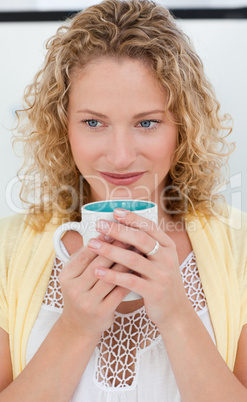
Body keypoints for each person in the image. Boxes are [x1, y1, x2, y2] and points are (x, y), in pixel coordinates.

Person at [0, 0, 247, 400]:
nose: (119, 156)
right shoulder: (6, 251)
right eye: (93, 122)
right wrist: (75, 328)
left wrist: (175, 313)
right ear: (64, 126)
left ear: (182, 126)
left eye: (147, 123)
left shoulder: (240, 246)